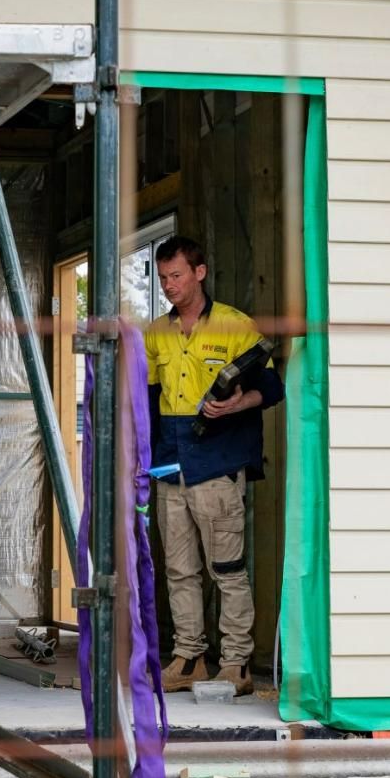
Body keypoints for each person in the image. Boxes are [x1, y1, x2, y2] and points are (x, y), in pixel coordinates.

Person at [144, 235, 284, 697]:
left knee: (227, 569)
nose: (169, 286)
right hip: (171, 464)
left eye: (177, 276)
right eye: (163, 278)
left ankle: (237, 664)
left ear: (199, 273)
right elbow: (146, 401)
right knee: (179, 569)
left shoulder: (234, 325)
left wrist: (237, 403)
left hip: (219, 462)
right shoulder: (156, 333)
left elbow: (273, 389)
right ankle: (188, 659)